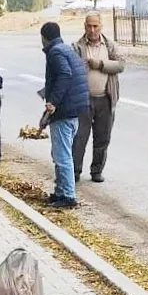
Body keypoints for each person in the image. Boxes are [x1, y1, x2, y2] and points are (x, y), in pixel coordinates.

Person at [71, 11, 125, 184]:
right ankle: (75, 171)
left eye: (95, 26)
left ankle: (96, 171)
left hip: (105, 99)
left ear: (101, 26)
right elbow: (70, 68)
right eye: (89, 26)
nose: (92, 30)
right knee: (80, 137)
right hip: (84, 100)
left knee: (102, 138)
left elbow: (120, 65)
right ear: (84, 26)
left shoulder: (109, 45)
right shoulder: (77, 46)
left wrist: (101, 64)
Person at [40, 22, 89, 209]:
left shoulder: (55, 52)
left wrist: (53, 102)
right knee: (60, 153)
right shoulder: (67, 49)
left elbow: (65, 75)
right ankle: (60, 192)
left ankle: (68, 196)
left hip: (65, 111)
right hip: (75, 109)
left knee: (62, 156)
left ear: (43, 37)